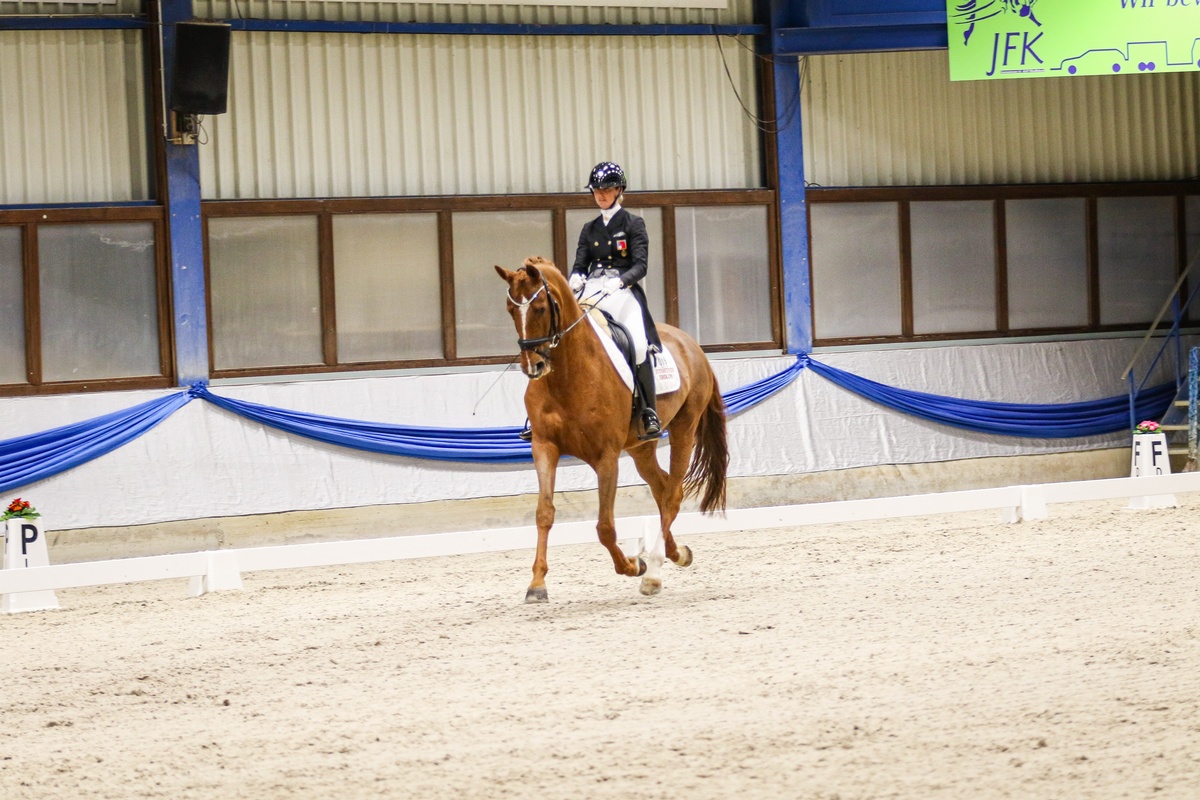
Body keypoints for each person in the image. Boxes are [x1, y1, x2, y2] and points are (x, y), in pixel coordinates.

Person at [519, 161, 661, 443]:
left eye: (606, 189)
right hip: (592, 290)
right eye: (597, 190)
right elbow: (581, 263)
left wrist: (621, 281)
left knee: (638, 345)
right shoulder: (589, 228)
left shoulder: (633, 224)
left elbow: (641, 265)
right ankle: (540, 411)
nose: (601, 195)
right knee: (558, 335)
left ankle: (648, 411)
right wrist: (576, 278)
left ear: (619, 190)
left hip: (622, 292)